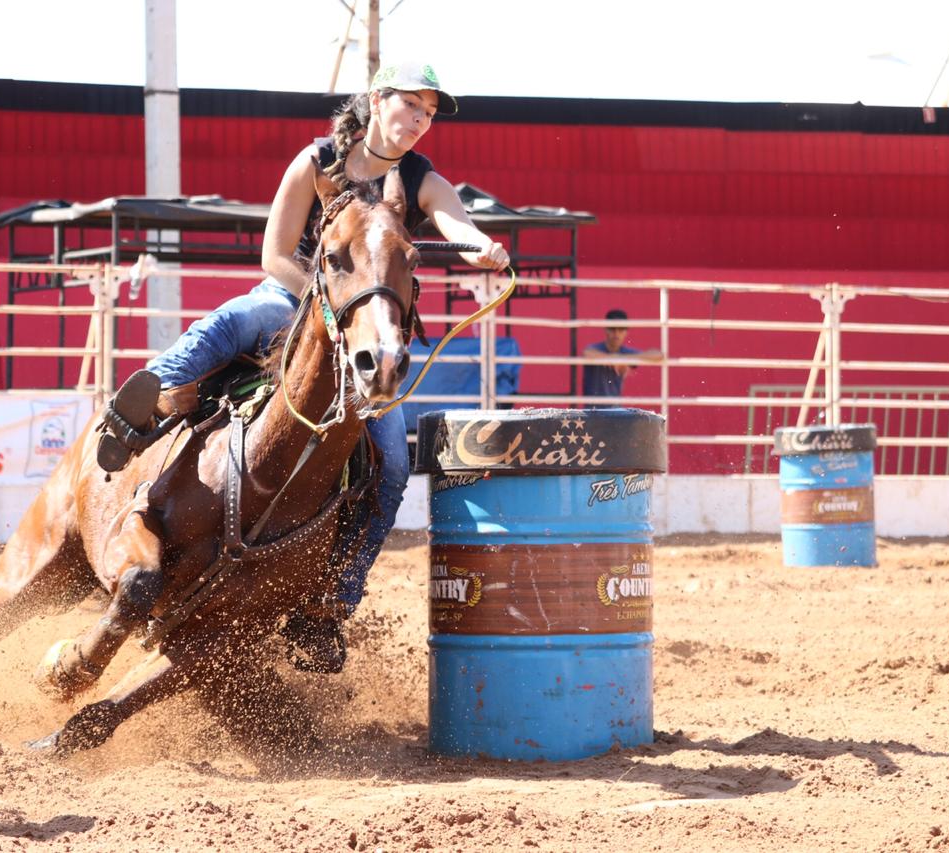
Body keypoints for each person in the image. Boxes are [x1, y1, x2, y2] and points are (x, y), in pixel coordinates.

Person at [100, 61, 510, 672]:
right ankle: (137, 410)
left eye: (428, 114)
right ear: (377, 100)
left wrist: (484, 249)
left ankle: (327, 604)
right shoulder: (318, 161)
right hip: (298, 299)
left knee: (394, 465)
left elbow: (459, 225)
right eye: (411, 106)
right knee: (229, 324)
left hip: (367, 327)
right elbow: (272, 253)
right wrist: (322, 300)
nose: (420, 122)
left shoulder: (422, 180)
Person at [581, 308, 663, 404]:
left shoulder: (625, 352)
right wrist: (615, 359)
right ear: (606, 329)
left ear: (626, 331)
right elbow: (587, 353)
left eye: (621, 329)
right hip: (592, 410)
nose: (616, 333)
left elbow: (658, 355)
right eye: (612, 329)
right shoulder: (596, 348)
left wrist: (623, 359)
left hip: (616, 410)